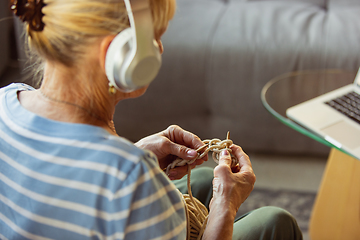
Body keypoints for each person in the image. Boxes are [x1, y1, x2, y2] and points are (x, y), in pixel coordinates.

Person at [0, 0, 303, 239]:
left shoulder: (6, 101)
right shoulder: (130, 177)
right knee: (276, 223)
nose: (159, 48)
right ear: (114, 53)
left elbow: (72, 175)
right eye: (153, 37)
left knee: (197, 179)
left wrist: (134, 154)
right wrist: (225, 205)